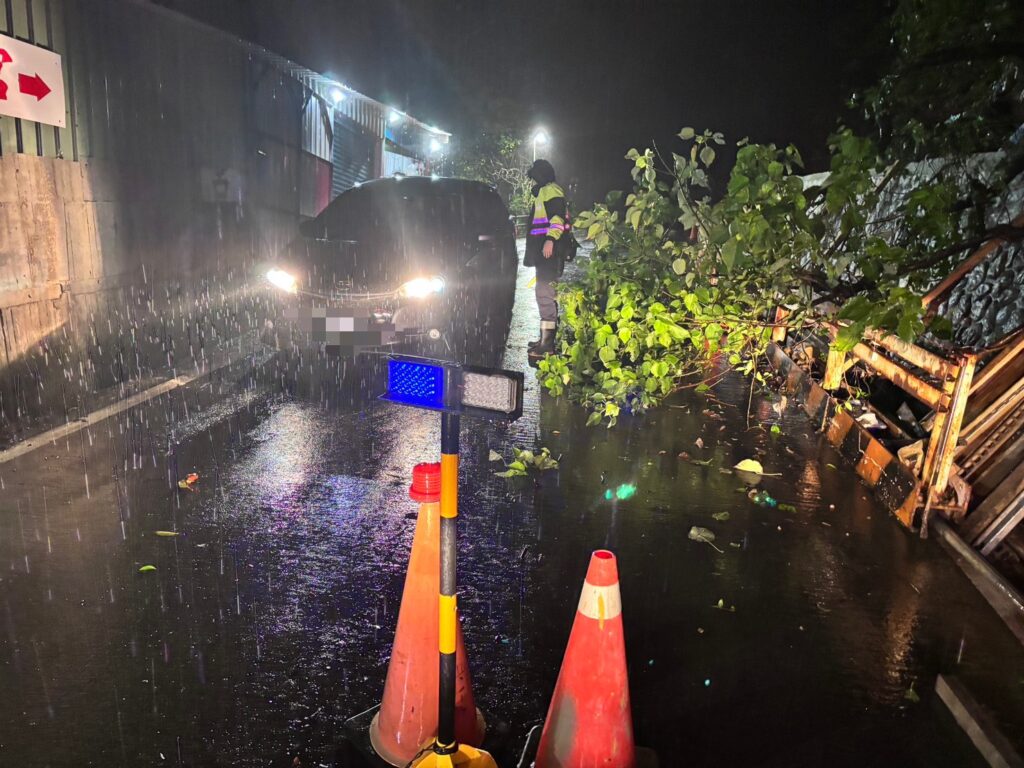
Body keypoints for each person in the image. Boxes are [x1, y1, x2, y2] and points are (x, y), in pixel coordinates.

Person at [523, 159, 567, 359]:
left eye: (534, 177)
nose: (533, 181)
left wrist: (550, 239)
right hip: (543, 252)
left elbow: (558, 218)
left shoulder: (551, 191)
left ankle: (547, 346)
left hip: (550, 251)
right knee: (544, 293)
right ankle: (544, 339)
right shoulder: (543, 191)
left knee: (545, 293)